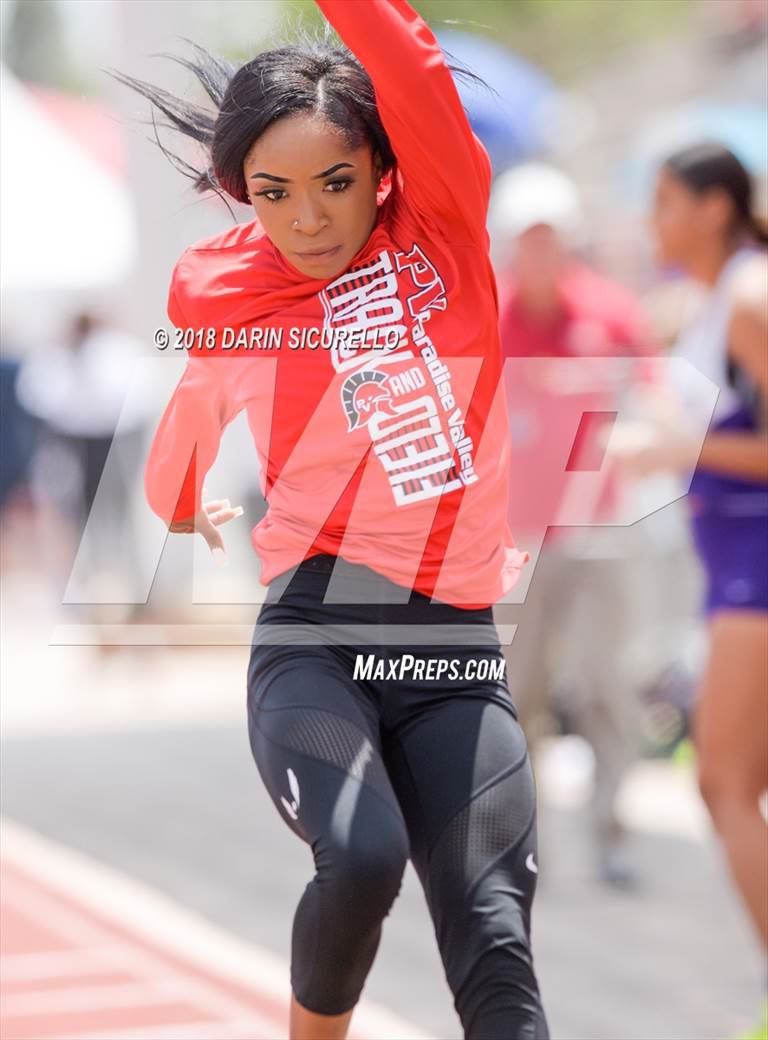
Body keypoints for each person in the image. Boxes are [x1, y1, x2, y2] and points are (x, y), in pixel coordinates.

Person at [121, 3, 549, 1038]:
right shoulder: (244, 309)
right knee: (361, 857)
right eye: (273, 193)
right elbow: (177, 452)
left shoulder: (442, 228)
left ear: (382, 169)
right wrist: (183, 504)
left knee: (494, 935)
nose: (307, 219)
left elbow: (411, 63)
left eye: (335, 183)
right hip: (317, 637)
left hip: (453, 649)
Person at [609, 141, 767, 1038]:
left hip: (757, 574)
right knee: (734, 784)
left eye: (664, 201)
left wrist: (678, 447)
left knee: (724, 784)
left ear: (714, 207)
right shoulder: (712, 300)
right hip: (734, 573)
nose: (651, 221)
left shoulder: (748, 296)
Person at [489, 162, 658, 887]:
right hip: (515, 538)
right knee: (518, 690)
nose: (540, 251)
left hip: (598, 531)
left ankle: (612, 836)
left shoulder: (612, 313)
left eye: (550, 236)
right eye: (528, 238)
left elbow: (654, 402)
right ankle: (522, 842)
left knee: (605, 686)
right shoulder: (485, 316)